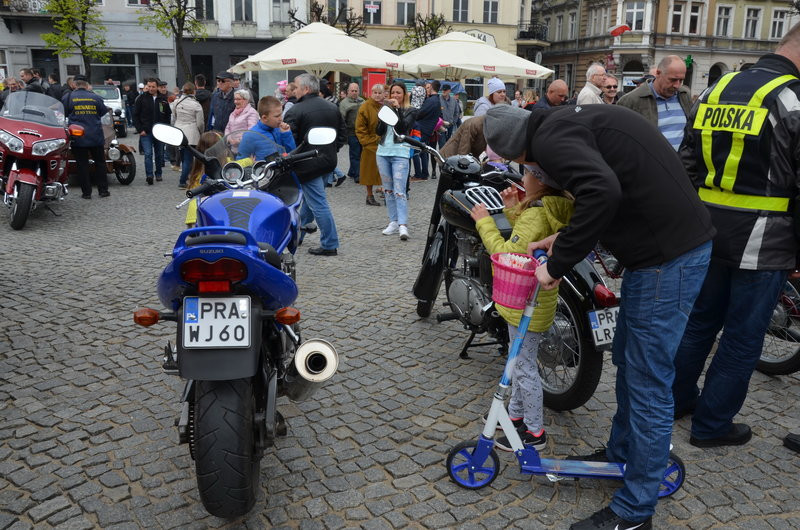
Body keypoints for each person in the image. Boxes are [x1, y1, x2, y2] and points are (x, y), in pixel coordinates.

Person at [482, 103, 715, 529]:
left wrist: (557, 264)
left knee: (647, 382)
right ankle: (622, 454)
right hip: (662, 254)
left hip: (668, 258)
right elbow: (612, 188)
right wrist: (564, 239)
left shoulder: (549, 141)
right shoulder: (564, 121)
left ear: (519, 155)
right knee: (629, 361)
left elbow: (602, 191)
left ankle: (635, 510)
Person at [672, 24, 800, 450]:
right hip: (765, 240)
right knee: (744, 337)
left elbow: (685, 162)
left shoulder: (716, 88)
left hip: (707, 232)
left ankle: (676, 401)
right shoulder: (793, 99)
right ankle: (711, 425)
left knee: (698, 323)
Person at [470, 163, 573, 451]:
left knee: (524, 367)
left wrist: (484, 221)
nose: (522, 177)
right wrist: (513, 209)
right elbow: (528, 238)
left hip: (523, 303)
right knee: (518, 361)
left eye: (527, 173)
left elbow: (506, 253)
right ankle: (515, 415)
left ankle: (535, 432)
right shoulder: (553, 207)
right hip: (538, 302)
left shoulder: (538, 212)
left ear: (540, 181)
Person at [283, 73, 345, 256]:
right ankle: (298, 236)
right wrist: (331, 151)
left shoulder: (295, 110)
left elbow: (289, 142)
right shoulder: (332, 107)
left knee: (318, 203)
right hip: (327, 162)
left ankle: (329, 243)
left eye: (296, 86)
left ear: (306, 89)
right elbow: (342, 136)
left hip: (307, 164)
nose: (294, 89)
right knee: (311, 203)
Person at [617, 55, 691, 151]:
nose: (677, 85)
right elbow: (621, 140)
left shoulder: (685, 94)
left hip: (681, 164)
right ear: (658, 73)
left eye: (681, 80)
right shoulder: (631, 100)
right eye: (673, 80)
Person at [376, 82, 416, 239]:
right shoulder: (386, 110)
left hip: (400, 152)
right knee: (388, 190)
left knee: (400, 191)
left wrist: (398, 109)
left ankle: (403, 225)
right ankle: (393, 221)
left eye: (398, 93)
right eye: (393, 93)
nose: (395, 96)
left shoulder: (410, 110)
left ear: (404, 95)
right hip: (383, 152)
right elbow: (378, 131)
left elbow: (402, 128)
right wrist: (382, 115)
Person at [64, 75, 110, 199]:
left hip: (78, 137)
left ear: (74, 84)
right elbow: (102, 112)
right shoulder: (95, 97)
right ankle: (103, 190)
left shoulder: (68, 97)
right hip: (95, 135)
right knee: (100, 163)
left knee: (82, 165)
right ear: (86, 84)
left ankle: (86, 193)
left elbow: (63, 113)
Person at [133, 77, 171, 185]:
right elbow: (135, 115)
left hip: (159, 132)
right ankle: (149, 175)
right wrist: (140, 129)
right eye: (149, 86)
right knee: (148, 154)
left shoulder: (163, 99)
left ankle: (158, 173)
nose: (151, 88)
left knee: (159, 154)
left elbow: (168, 115)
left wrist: (166, 128)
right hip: (146, 132)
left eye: (153, 86)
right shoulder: (141, 98)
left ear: (157, 87)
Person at [237, 96, 295, 161]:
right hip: (265, 170)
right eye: (277, 116)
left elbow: (292, 154)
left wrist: (286, 135)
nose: (281, 118)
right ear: (265, 118)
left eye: (281, 114)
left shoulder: (280, 129)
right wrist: (252, 165)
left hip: (283, 170)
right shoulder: (250, 135)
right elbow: (240, 162)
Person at [185, 131, 224, 227]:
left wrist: (249, 161)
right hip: (203, 219)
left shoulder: (197, 171)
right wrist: (193, 221)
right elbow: (196, 199)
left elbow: (237, 164)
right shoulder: (201, 176)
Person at [170, 82, 205, 189]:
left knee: (184, 157)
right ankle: (182, 180)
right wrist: (201, 132)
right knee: (188, 158)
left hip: (179, 133)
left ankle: (187, 177)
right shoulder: (196, 105)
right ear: (193, 91)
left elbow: (173, 119)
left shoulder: (176, 102)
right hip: (191, 133)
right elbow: (200, 123)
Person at [355, 83, 385, 206]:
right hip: (370, 144)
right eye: (375, 93)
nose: (377, 95)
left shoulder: (385, 107)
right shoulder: (365, 107)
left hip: (384, 144)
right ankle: (369, 195)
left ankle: (385, 191)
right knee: (369, 171)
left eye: (379, 93)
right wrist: (366, 143)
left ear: (384, 94)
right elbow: (360, 128)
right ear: (371, 93)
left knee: (384, 171)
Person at [411, 80, 442, 181]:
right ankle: (424, 173)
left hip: (422, 129)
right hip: (427, 129)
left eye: (428, 88)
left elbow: (420, 113)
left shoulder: (431, 101)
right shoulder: (435, 100)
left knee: (416, 150)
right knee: (423, 152)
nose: (425, 90)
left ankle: (419, 174)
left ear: (432, 88)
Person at [339, 82, 363, 184]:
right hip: (351, 132)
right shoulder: (344, 103)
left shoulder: (363, 101)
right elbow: (341, 119)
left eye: (356, 91)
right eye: (352, 91)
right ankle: (358, 176)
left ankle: (352, 172)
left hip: (362, 132)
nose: (354, 92)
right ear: (348, 91)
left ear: (358, 91)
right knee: (355, 154)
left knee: (360, 153)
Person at [438, 83, 461, 148]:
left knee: (448, 144)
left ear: (449, 91)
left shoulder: (453, 100)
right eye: (443, 90)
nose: (443, 91)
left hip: (450, 125)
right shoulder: (438, 99)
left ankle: (447, 158)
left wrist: (453, 121)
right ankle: (441, 157)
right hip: (441, 126)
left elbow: (457, 112)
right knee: (442, 144)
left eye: (445, 90)